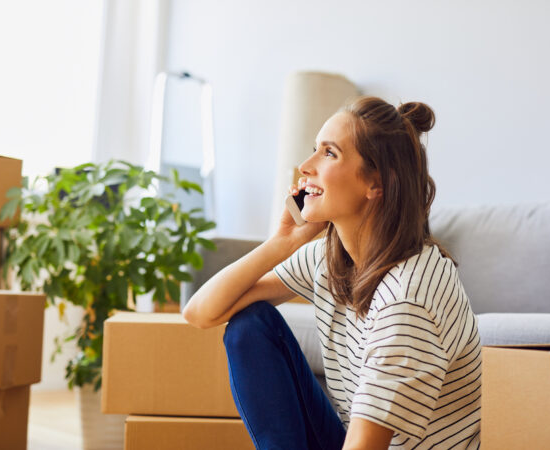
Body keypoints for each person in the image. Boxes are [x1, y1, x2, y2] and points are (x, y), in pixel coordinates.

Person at [182, 96, 481, 450]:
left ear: (376, 183)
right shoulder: (330, 257)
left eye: (329, 153)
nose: (305, 166)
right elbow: (201, 312)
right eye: (314, 149)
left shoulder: (408, 299)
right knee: (251, 325)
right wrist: (281, 243)